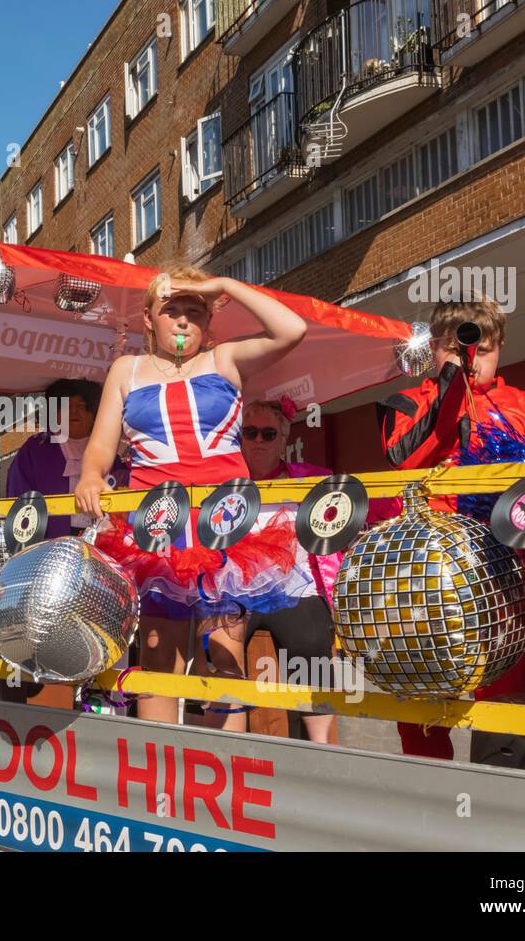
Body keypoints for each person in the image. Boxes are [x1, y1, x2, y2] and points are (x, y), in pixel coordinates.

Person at [74, 265, 308, 727]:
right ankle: (163, 777)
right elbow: (101, 445)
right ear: (148, 319)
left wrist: (222, 287)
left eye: (194, 311)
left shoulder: (225, 359)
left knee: (223, 657)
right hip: (154, 527)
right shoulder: (127, 370)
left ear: (207, 321)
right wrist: (90, 475)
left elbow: (292, 329)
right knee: (160, 660)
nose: (182, 321)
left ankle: (225, 774)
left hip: (223, 524)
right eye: (171, 310)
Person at [377, 296, 525, 759]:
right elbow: (404, 456)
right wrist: (449, 385)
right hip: (425, 578)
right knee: (420, 703)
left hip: (510, 579)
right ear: (435, 350)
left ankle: (506, 802)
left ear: (500, 350)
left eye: (484, 348)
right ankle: (431, 799)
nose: (471, 358)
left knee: (510, 710)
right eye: (457, 347)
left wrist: (520, 563)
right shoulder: (403, 403)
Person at [225, 397, 338, 745]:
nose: (259, 440)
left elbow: (362, 506)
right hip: (235, 589)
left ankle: (322, 756)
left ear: (283, 440)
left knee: (312, 652)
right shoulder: (223, 481)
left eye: (268, 433)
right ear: (240, 438)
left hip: (295, 589)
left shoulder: (313, 480)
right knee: (221, 651)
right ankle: (228, 752)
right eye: (251, 432)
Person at [6, 378, 128, 537]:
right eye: (66, 406)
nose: (74, 411)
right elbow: (18, 494)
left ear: (95, 414)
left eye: (82, 406)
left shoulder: (108, 449)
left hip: (101, 540)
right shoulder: (35, 448)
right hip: (47, 543)